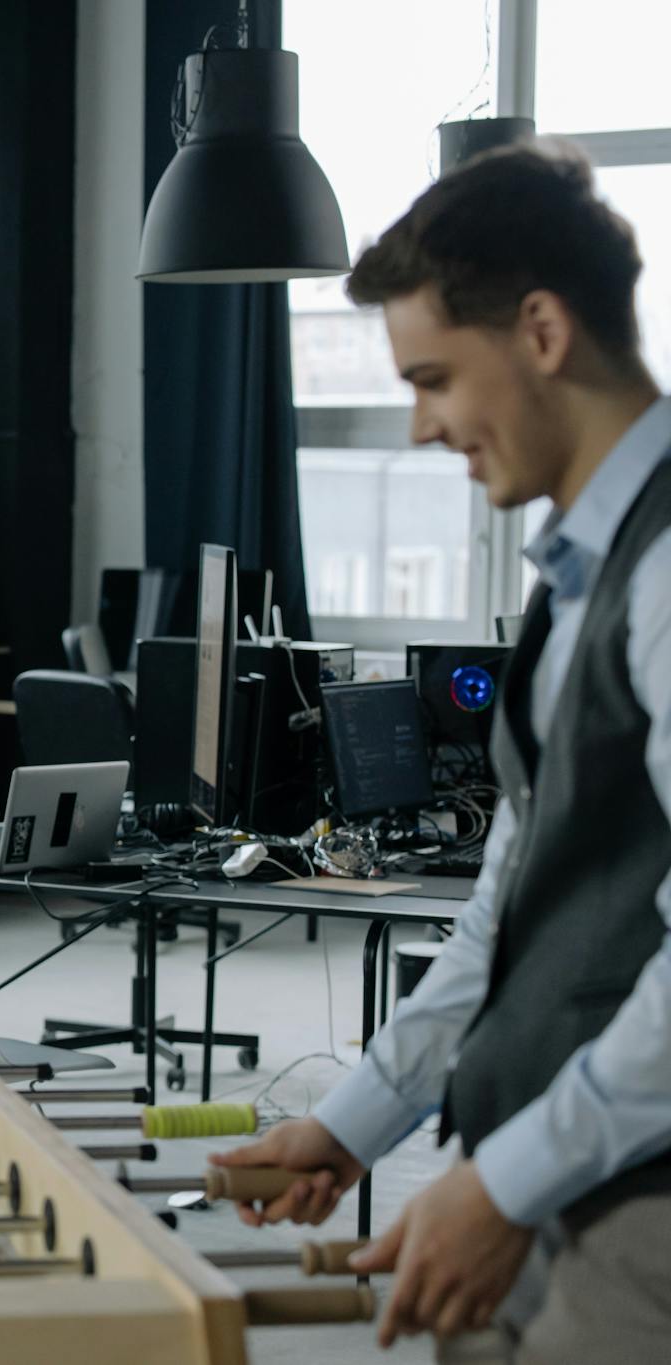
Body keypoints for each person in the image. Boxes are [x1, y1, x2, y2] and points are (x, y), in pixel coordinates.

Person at [214, 144, 671, 1361]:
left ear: (537, 331)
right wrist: (356, 1122)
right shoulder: (579, 574)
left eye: (431, 378)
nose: (420, 427)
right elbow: (501, 920)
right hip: (556, 1171)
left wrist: (504, 1180)